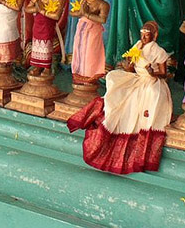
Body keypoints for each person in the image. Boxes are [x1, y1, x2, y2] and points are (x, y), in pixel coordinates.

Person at [67, 21, 172, 174]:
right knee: (114, 79)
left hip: (151, 81)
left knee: (151, 96)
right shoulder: (137, 46)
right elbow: (131, 67)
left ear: (153, 36)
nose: (143, 38)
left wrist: (152, 73)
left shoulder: (158, 51)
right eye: (142, 34)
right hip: (137, 78)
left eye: (146, 35)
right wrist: (128, 65)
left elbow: (163, 73)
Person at [69, 0, 109, 83]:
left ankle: (90, 76)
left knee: (91, 53)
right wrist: (80, 12)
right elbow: (72, 12)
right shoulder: (83, 0)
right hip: (81, 29)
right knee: (80, 51)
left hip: (93, 31)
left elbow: (102, 19)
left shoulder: (103, 4)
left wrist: (86, 14)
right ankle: (79, 75)